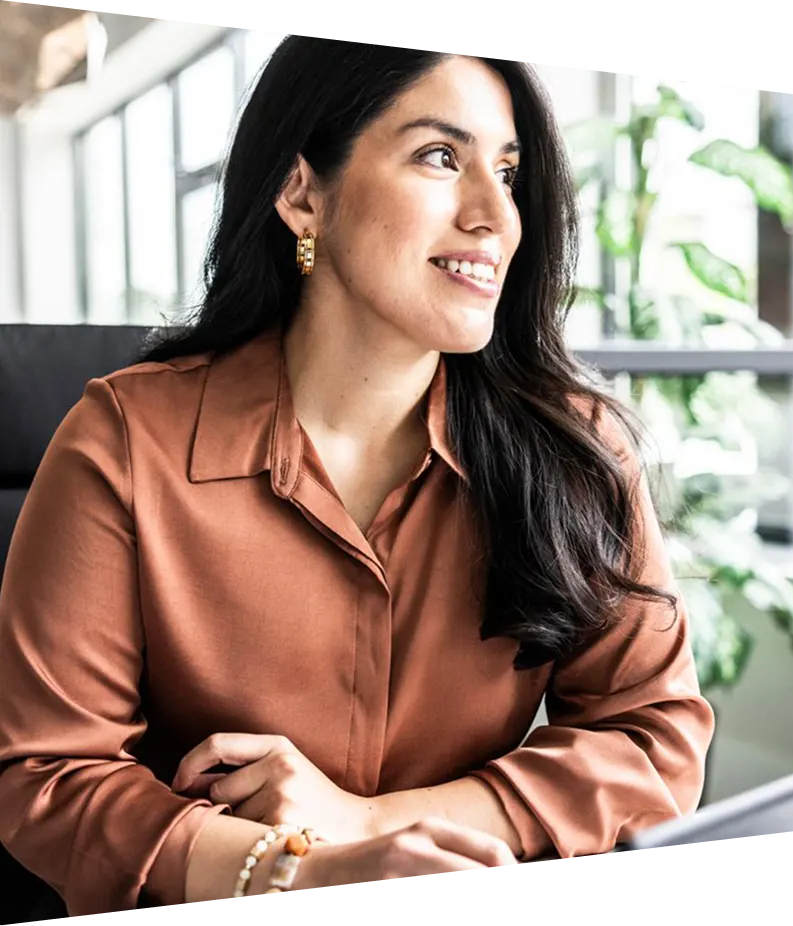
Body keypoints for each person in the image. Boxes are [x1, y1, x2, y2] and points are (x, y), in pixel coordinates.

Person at [0, 38, 715, 918]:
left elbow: (653, 738)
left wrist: (367, 824)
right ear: (303, 193)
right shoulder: (123, 443)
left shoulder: (580, 451)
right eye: (440, 157)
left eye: (509, 170)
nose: (497, 215)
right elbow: (48, 776)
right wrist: (293, 870)